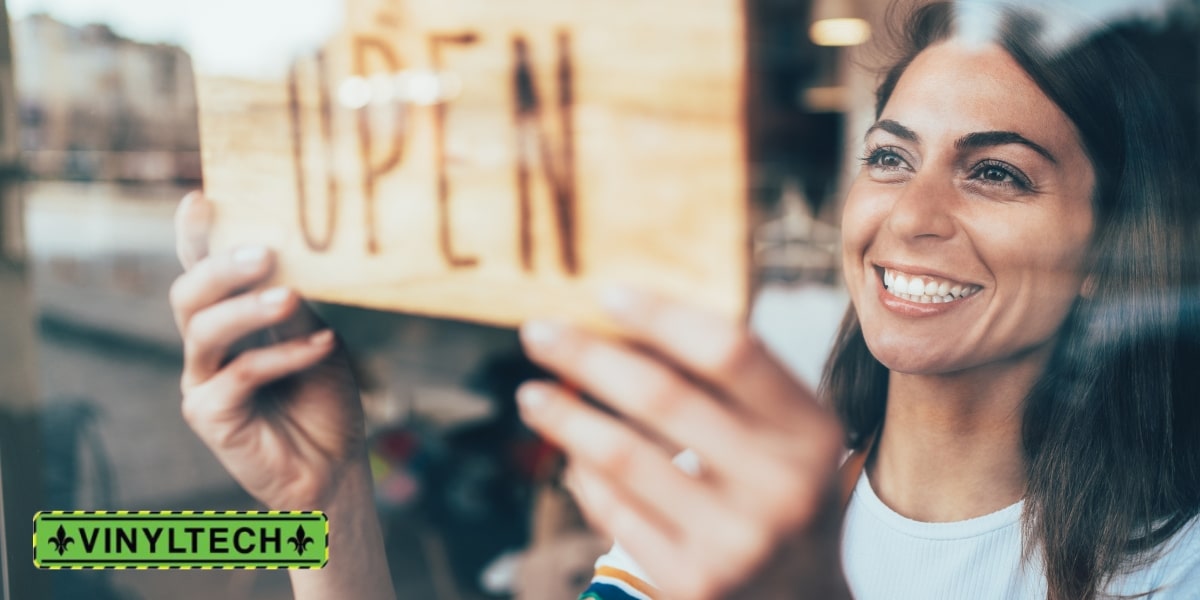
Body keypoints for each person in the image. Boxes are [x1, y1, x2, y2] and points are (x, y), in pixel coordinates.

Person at [168, 1, 1200, 598]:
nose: (912, 216)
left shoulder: (1170, 568)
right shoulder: (712, 500)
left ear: (1112, 242)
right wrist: (327, 500)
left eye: (997, 173)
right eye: (891, 158)